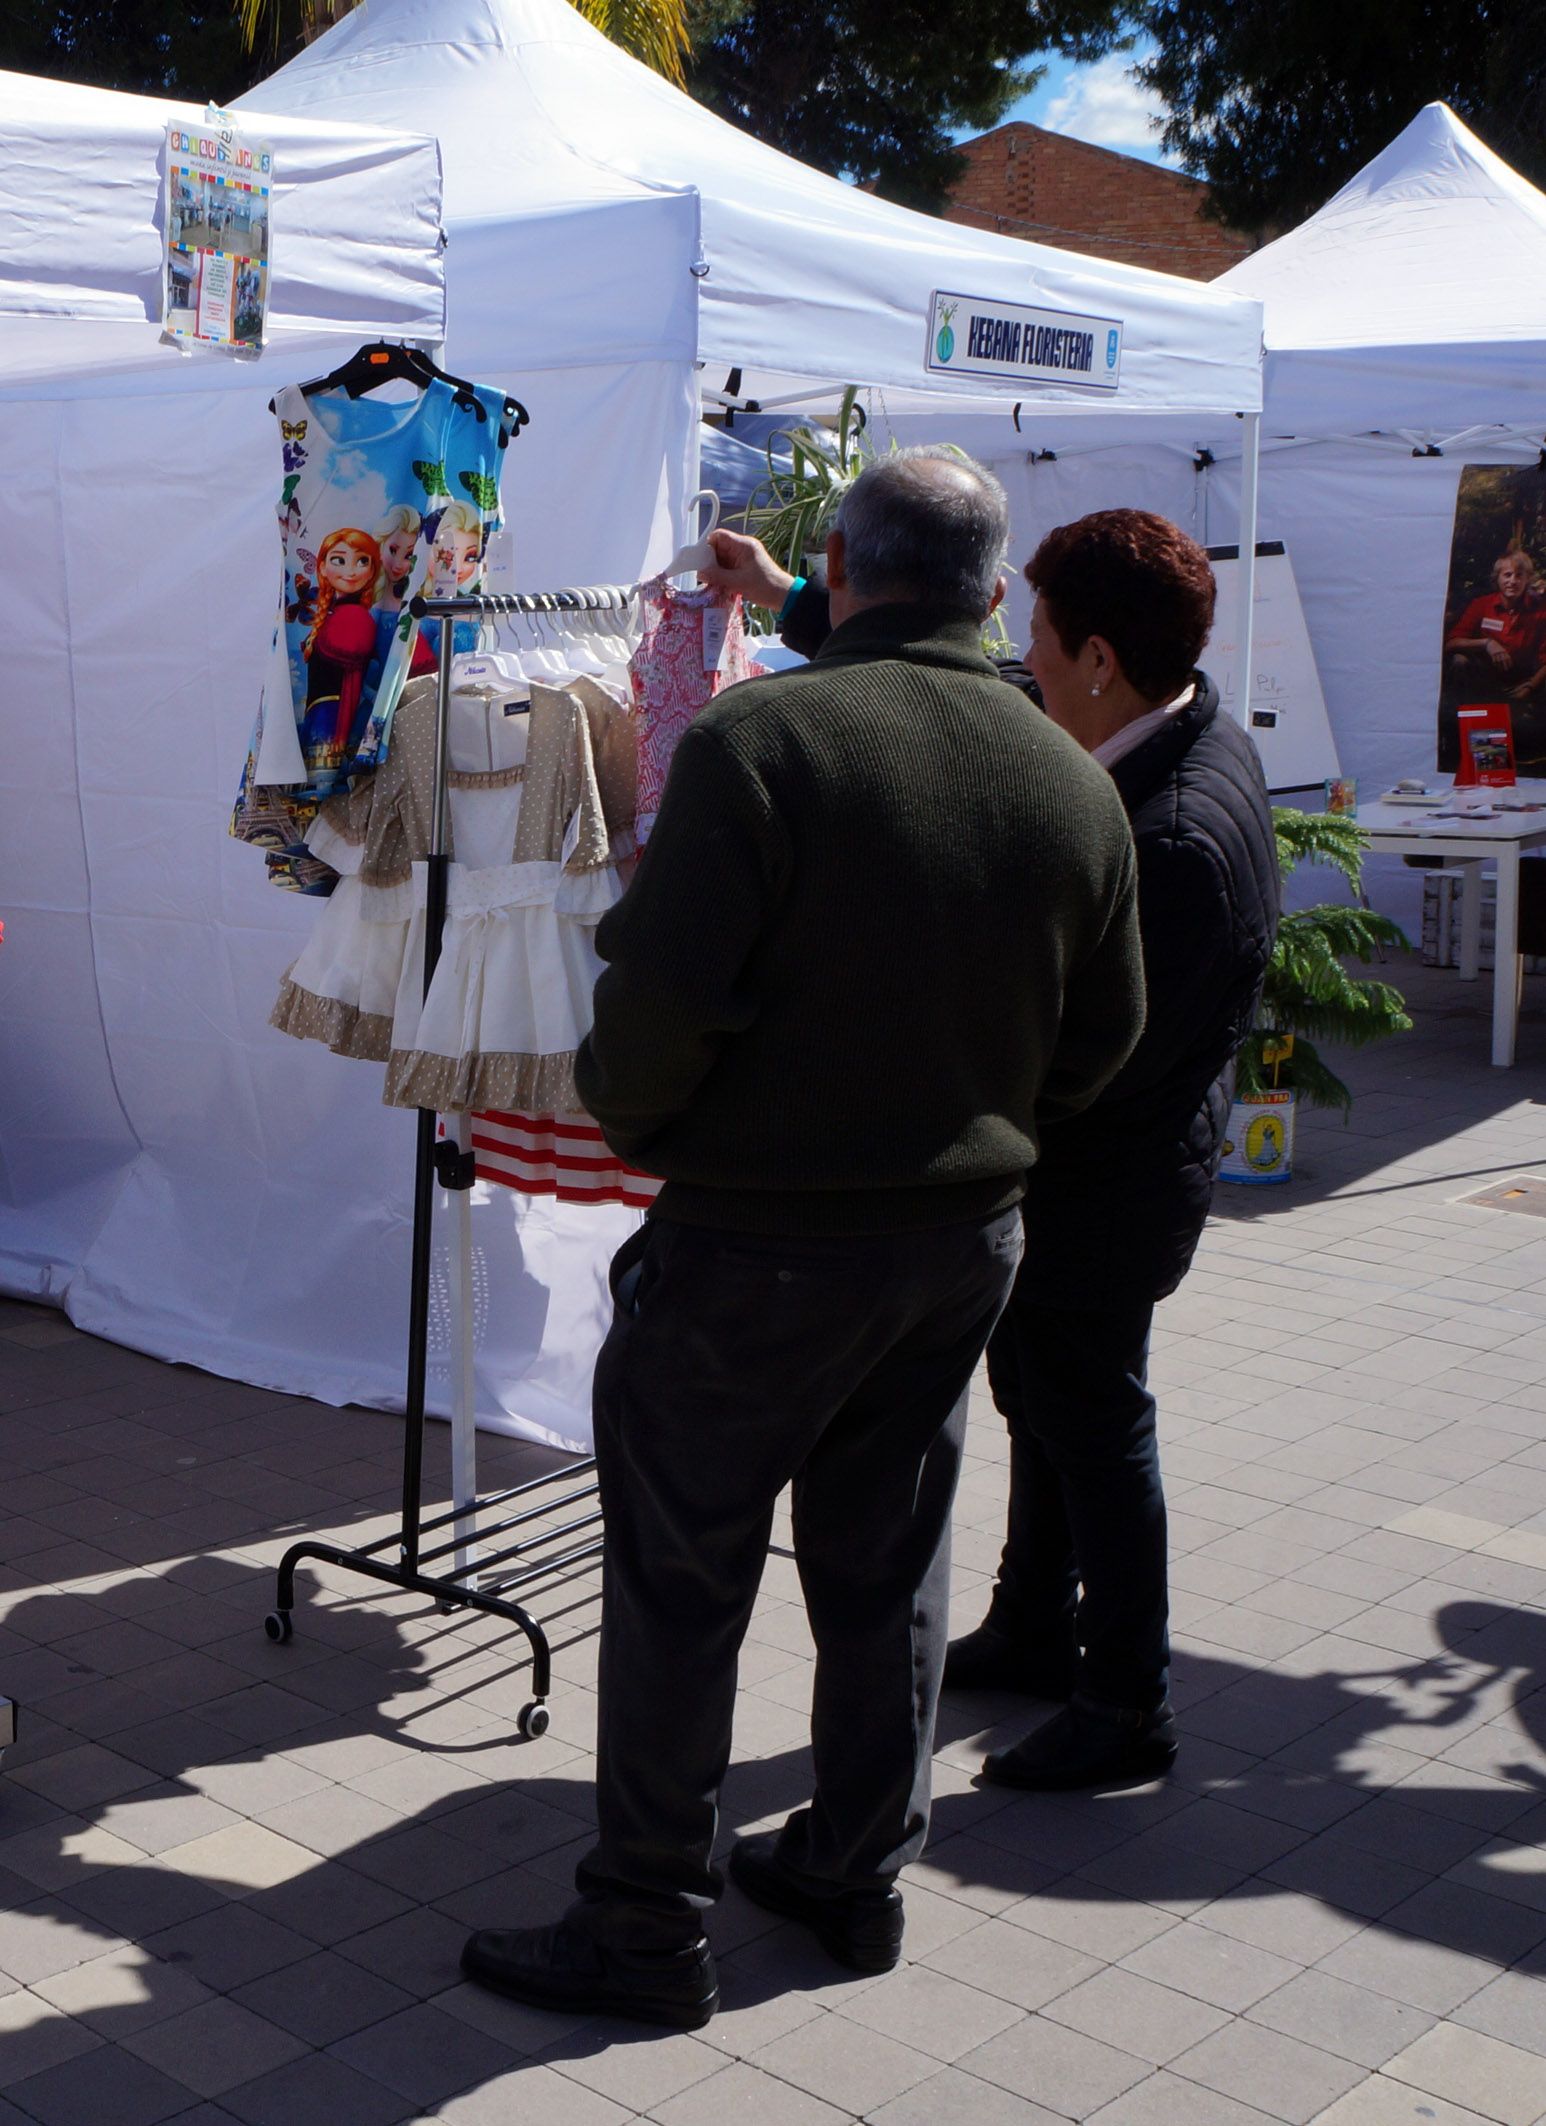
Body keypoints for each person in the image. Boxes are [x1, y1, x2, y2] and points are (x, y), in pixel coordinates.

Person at [460, 449, 1147, 2028]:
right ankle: (853, 1866)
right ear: (994, 588)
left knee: (683, 1579)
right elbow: (1100, 1037)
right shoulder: (1063, 770)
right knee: (885, 1560)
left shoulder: (769, 740)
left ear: (839, 564)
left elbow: (652, 1018)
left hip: (757, 1246)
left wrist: (668, 1141)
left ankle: (644, 1922)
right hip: (954, 1237)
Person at [704, 506, 1279, 1792]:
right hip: (1078, 1173)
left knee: (1095, 1423)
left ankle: (1130, 1697)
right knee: (1049, 1405)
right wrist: (792, 590)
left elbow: (1096, 1058)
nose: (1018, 653)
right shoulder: (1143, 718)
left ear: (1095, 660)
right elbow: (967, 677)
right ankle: (1033, 1623)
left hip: (1105, 1190)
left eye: (1039, 634)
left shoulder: (1173, 828)